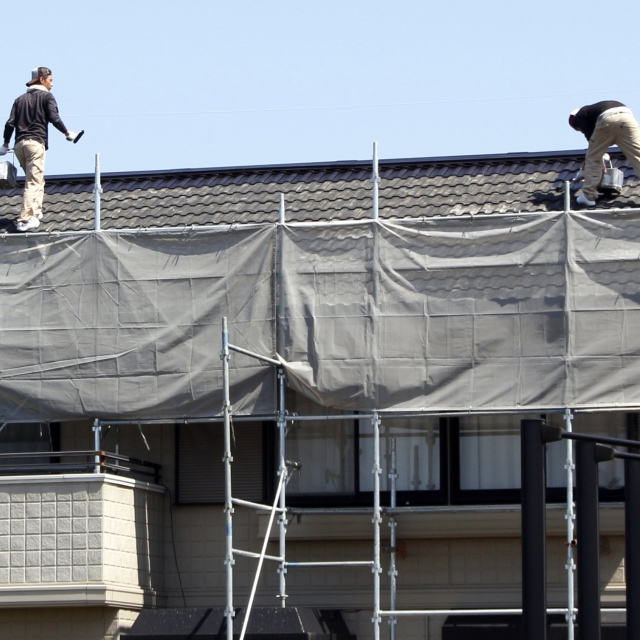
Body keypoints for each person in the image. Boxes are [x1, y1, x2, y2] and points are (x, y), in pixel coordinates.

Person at [0, 67, 80, 232]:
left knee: (37, 179)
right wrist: (68, 133)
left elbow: (10, 123)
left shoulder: (19, 99)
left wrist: (5, 144)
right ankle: (25, 219)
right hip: (35, 144)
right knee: (33, 181)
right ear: (42, 80)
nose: (52, 84)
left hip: (19, 146)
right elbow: (53, 117)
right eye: (50, 80)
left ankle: (36, 210)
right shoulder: (47, 96)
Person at [569, 100, 640, 207]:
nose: (582, 132)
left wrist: (585, 170)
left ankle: (588, 196)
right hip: (627, 118)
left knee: (593, 157)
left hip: (607, 119)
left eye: (580, 130)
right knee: (637, 155)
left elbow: (593, 148)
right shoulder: (594, 110)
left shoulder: (579, 116)